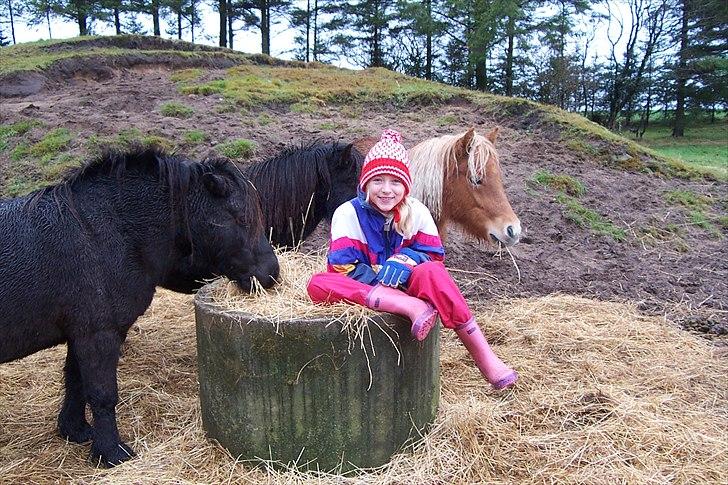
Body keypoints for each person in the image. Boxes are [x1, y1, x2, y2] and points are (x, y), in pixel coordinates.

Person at [307, 129, 518, 390]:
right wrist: (380, 282)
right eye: (378, 181)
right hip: (367, 291)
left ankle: (485, 357)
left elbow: (433, 255)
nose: (386, 190)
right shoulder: (347, 214)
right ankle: (409, 307)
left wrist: (406, 261)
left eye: (395, 182)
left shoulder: (416, 211)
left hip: (406, 283)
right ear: (365, 184)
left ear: (406, 186)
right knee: (318, 283)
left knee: (434, 274)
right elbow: (342, 267)